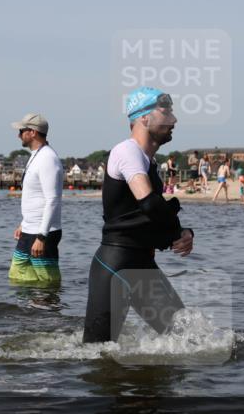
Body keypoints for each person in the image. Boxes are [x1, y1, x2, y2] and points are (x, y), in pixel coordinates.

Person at [83, 87, 194, 343]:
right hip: (116, 266)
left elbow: (147, 215)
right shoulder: (127, 151)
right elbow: (149, 204)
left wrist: (180, 234)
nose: (174, 120)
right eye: (166, 112)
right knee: (97, 354)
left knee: (187, 340)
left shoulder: (148, 161)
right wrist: (177, 232)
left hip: (143, 264)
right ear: (144, 117)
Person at [9, 113, 63, 285]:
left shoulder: (48, 159)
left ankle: (49, 303)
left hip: (43, 233)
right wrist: (23, 224)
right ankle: (30, 305)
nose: (18, 135)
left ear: (32, 132)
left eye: (21, 131)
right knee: (17, 275)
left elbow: (52, 200)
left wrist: (41, 237)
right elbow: (34, 195)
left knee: (47, 283)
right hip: (29, 230)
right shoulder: (36, 155)